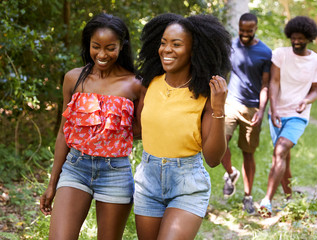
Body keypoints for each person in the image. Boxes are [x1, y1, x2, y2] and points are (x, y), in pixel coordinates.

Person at [39, 13, 141, 239]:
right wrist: (52, 183)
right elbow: (64, 133)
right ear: (88, 45)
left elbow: (142, 131)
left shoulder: (135, 84)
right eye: (96, 46)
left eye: (110, 48)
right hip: (76, 167)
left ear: (122, 47)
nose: (102, 54)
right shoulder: (73, 78)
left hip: (115, 172)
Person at [134, 13, 232, 239]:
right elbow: (137, 130)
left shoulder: (205, 93)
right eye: (163, 43)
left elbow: (213, 159)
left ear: (193, 50)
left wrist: (218, 109)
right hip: (148, 180)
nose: (166, 49)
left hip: (187, 184)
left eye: (176, 44)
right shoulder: (149, 84)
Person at [259, 16, 317, 217]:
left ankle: (267, 201)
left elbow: (315, 90)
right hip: (277, 113)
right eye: (293, 38)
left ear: (310, 38)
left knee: (280, 151)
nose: (296, 42)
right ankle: (289, 201)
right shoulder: (280, 54)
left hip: (298, 115)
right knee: (283, 159)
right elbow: (274, 82)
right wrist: (274, 108)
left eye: (301, 39)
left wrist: (306, 101)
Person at [220, 13, 272, 214]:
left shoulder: (265, 52)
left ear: (256, 29)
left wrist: (261, 109)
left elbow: (265, 85)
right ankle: (231, 173)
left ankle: (248, 197)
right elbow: (223, 72)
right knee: (220, 141)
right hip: (231, 102)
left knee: (248, 152)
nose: (244, 35)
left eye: (249, 31)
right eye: (242, 30)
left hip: (252, 108)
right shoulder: (232, 46)